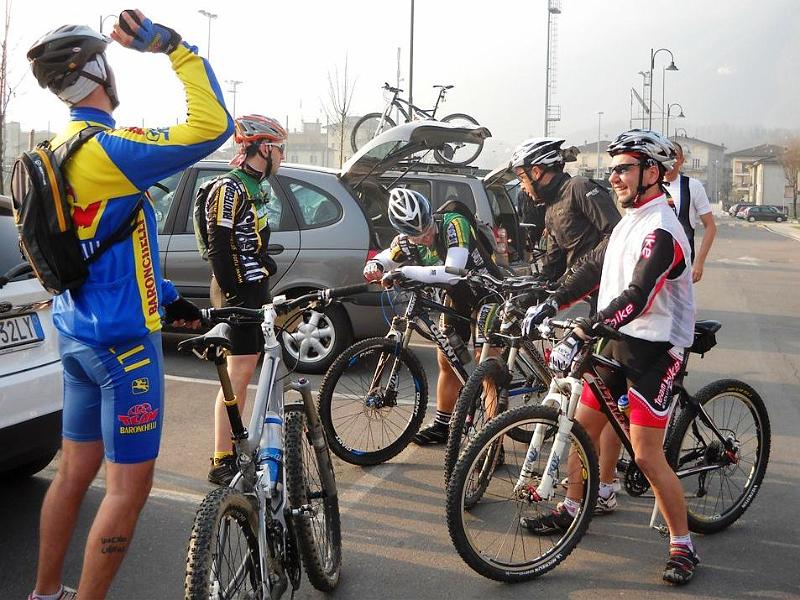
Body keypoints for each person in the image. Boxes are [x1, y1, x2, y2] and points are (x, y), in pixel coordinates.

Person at [25, 11, 232, 600]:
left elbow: (109, 241)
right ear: (96, 73)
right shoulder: (110, 150)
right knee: (126, 490)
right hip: (123, 349)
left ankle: (45, 593)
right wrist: (174, 48)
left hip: (76, 336)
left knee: (72, 474)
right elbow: (213, 125)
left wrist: (170, 298)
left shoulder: (55, 151)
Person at [522, 129, 699, 585]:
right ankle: (575, 504)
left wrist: (588, 326)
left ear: (652, 173)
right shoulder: (627, 221)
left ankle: (683, 544)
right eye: (612, 169)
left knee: (646, 456)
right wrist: (550, 302)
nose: (614, 177)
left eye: (623, 169)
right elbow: (591, 269)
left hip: (657, 348)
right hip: (617, 338)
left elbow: (638, 295)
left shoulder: (663, 229)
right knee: (581, 429)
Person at [363, 188, 504, 444]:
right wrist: (376, 265)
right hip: (457, 297)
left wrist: (407, 272)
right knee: (446, 361)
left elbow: (453, 272)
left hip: (487, 292)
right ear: (404, 232)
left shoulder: (454, 223)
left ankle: (492, 444)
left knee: (485, 365)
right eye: (417, 235)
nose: (426, 237)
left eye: (428, 228)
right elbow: (388, 256)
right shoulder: (405, 240)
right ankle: (442, 425)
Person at [205, 114, 287, 486]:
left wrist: (264, 263)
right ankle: (221, 458)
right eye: (280, 149)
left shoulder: (254, 186)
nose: (282, 156)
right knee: (236, 374)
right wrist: (233, 293)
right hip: (236, 291)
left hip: (255, 288)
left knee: (249, 369)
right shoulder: (229, 187)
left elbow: (251, 239)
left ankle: (238, 445)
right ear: (264, 148)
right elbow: (218, 246)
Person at [510, 138, 620, 284]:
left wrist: (578, 271)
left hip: (602, 286)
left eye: (522, 178)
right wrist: (536, 284)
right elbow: (554, 263)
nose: (522, 186)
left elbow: (616, 235)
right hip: (577, 288)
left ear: (536, 172)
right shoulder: (552, 205)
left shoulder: (579, 187)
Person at [663, 140, 717, 282]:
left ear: (682, 160)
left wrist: (699, 262)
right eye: (665, 156)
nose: (670, 161)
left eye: (674, 157)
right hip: (652, 263)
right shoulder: (649, 186)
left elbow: (710, 226)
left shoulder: (693, 186)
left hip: (682, 266)